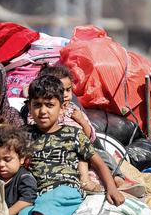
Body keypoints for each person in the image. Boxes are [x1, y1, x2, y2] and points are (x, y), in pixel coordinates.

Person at [18, 75, 125, 215]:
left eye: (49, 105)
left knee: (44, 208)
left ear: (62, 108)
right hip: (37, 193)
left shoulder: (73, 134)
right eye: (37, 105)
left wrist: (111, 188)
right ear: (29, 108)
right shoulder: (24, 135)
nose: (43, 111)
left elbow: (99, 162)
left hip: (65, 189)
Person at [36, 65, 102, 193]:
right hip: (55, 150)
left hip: (79, 147)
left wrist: (81, 121)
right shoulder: (44, 111)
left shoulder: (75, 110)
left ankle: (111, 179)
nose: (65, 95)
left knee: (94, 155)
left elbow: (89, 137)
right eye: (61, 91)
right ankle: (84, 180)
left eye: (68, 90)